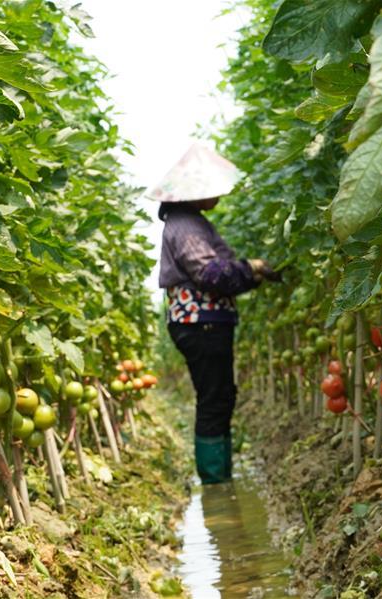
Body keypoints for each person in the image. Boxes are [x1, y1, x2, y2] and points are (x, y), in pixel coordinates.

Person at [149, 144, 279, 484]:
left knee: (220, 395)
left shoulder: (190, 222)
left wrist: (251, 274)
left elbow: (219, 277)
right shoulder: (186, 225)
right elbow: (211, 275)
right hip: (200, 323)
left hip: (203, 323)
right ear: (194, 192)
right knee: (214, 398)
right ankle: (216, 484)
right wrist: (250, 268)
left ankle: (219, 478)